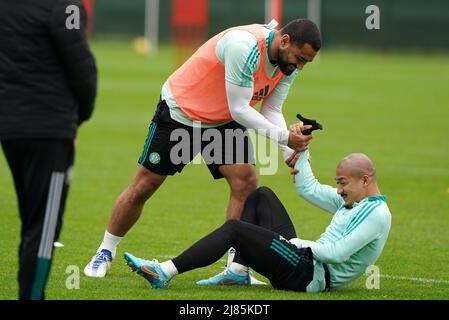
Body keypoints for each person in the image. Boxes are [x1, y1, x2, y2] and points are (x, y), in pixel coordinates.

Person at [84, 19, 322, 278]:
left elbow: (272, 109)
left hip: (222, 120)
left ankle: (236, 269)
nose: (299, 66)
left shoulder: (288, 65)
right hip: (182, 113)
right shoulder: (244, 46)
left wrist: (290, 152)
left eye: (305, 62)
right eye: (299, 58)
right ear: (285, 41)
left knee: (245, 181)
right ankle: (105, 252)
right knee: (144, 185)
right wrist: (285, 139)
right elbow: (240, 109)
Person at [123, 149, 391, 292]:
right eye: (338, 184)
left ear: (365, 180)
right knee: (260, 196)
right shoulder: (353, 201)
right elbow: (307, 189)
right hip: (305, 262)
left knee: (234, 229)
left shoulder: (376, 215)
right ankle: (239, 273)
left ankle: (164, 272)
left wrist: (294, 243)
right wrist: (301, 151)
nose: (339, 190)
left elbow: (337, 253)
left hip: (311, 277)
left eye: (343, 183)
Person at [0, 0, 97, 299]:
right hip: (50, 130)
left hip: (10, 127)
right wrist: (77, 118)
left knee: (32, 219)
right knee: (43, 226)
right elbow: (81, 66)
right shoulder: (65, 7)